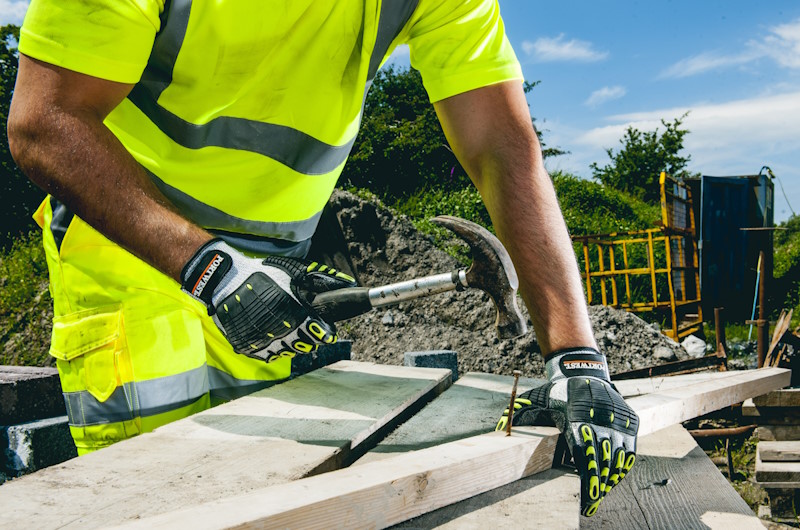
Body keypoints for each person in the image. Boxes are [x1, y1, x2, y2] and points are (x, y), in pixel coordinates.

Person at [7, 0, 637, 516]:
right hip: (131, 257)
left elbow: (503, 147)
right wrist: (209, 266)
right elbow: (43, 120)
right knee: (160, 501)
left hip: (272, 268)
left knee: (266, 496)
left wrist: (578, 357)